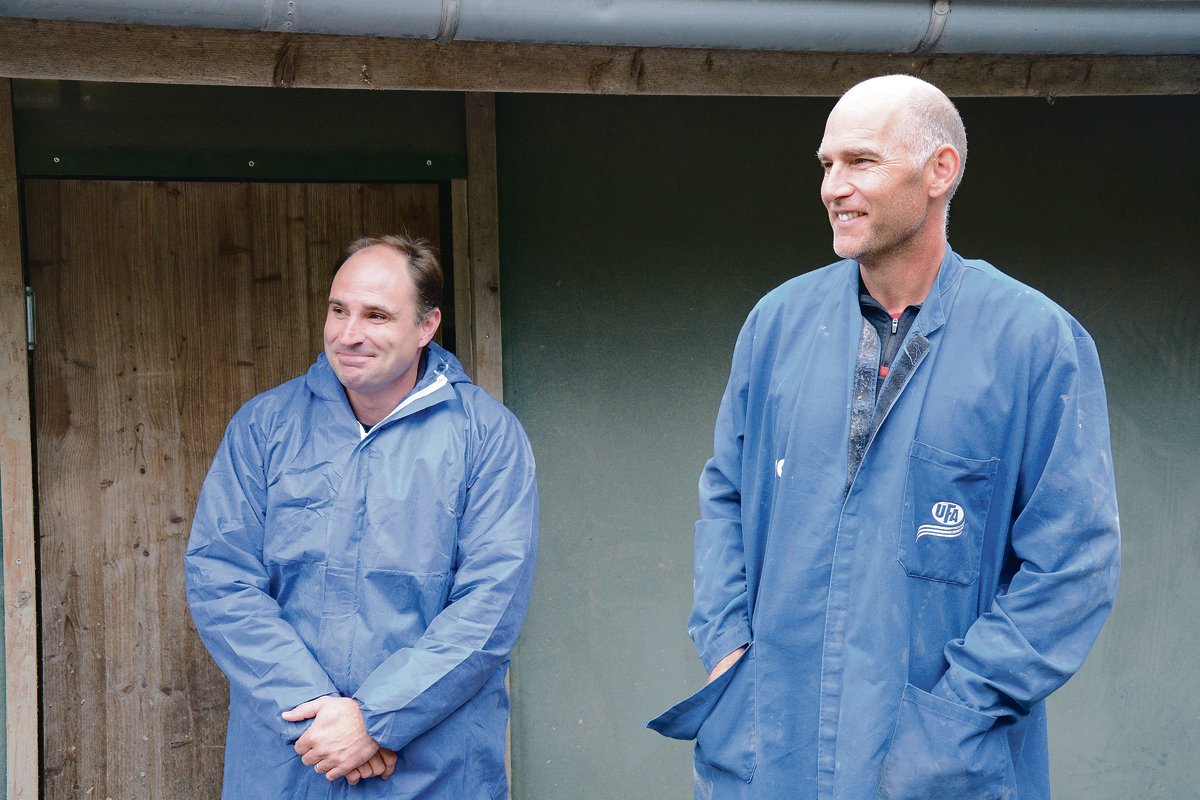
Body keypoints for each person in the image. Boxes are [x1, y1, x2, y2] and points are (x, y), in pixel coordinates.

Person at [648, 75, 1120, 799]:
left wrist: (958, 713)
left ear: (939, 171)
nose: (833, 187)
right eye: (826, 164)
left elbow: (1073, 563)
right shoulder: (778, 325)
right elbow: (726, 499)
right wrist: (727, 649)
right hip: (773, 744)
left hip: (939, 764)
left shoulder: (1032, 341)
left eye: (861, 161)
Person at [186, 234, 539, 798]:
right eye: (338, 310)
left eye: (376, 315)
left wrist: (375, 719)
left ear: (426, 326)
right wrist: (316, 712)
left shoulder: (486, 436)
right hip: (294, 757)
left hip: (431, 767)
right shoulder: (265, 426)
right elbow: (220, 578)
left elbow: (489, 607)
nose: (348, 333)